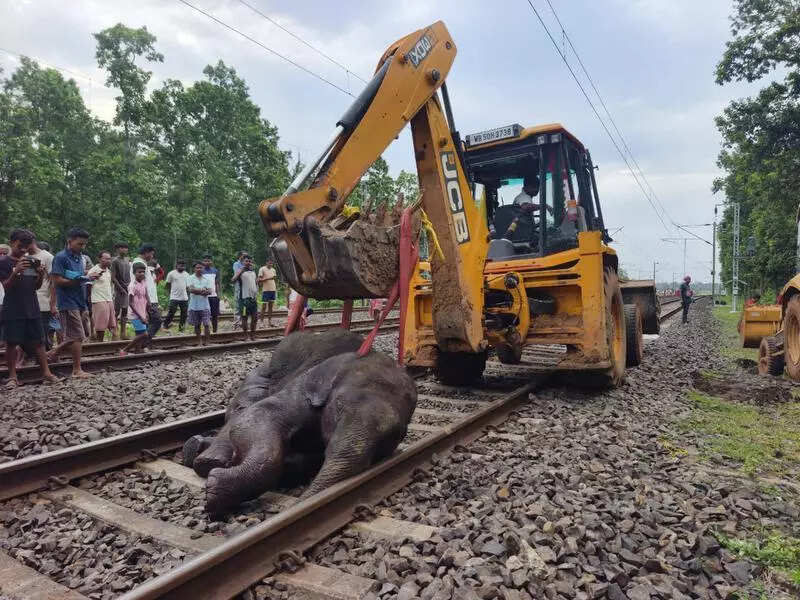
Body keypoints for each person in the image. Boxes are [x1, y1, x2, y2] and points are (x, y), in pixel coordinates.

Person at [0, 229, 61, 386]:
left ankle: (46, 373)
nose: (23, 249)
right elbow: (6, 286)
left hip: (32, 307)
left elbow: (35, 287)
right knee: (11, 342)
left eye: (26, 246)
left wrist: (40, 275)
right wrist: (16, 272)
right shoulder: (4, 262)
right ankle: (12, 377)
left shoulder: (31, 261)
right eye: (20, 246)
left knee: (39, 342)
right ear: (12, 242)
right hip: (13, 308)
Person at [48, 228, 98, 378]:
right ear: (69, 241)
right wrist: (78, 280)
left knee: (78, 335)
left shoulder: (80, 258)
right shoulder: (61, 257)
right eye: (80, 244)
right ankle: (76, 369)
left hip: (79, 300)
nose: (82, 247)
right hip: (67, 300)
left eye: (84, 244)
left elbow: (79, 276)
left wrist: (87, 277)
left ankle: (54, 352)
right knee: (78, 335)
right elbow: (56, 280)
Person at [130, 244, 162, 345]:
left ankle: (143, 345)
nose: (152, 257)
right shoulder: (139, 264)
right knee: (157, 321)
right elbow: (140, 284)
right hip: (148, 299)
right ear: (146, 252)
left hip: (149, 298)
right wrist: (148, 301)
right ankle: (144, 344)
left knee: (149, 323)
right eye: (151, 254)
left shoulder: (142, 263)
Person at [28, 239, 56, 351]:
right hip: (27, 301)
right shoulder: (25, 256)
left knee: (42, 332)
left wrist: (53, 304)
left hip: (43, 301)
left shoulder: (48, 257)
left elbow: (54, 282)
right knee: (30, 334)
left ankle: (47, 354)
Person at [119, 263, 151, 356]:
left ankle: (138, 351)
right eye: (139, 272)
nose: (142, 274)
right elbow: (131, 303)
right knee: (144, 334)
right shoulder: (132, 285)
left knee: (139, 334)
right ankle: (125, 350)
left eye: (143, 272)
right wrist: (141, 316)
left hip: (142, 313)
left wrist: (146, 312)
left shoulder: (143, 283)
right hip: (135, 314)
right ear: (134, 273)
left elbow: (145, 297)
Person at [87, 250, 117, 341]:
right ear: (99, 259)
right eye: (106, 259)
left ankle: (111, 343)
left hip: (108, 299)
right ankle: (99, 342)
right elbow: (88, 285)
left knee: (112, 323)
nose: (108, 261)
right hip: (98, 299)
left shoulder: (108, 271)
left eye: (109, 259)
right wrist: (89, 298)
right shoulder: (94, 270)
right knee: (100, 325)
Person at [187, 260, 213, 345]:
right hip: (194, 306)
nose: (199, 269)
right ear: (194, 269)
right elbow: (191, 290)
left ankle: (207, 342)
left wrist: (198, 291)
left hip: (205, 306)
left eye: (201, 267)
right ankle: (199, 342)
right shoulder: (190, 278)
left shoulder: (207, 279)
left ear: (203, 268)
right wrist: (203, 290)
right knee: (197, 325)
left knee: (207, 324)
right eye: (197, 267)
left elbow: (210, 291)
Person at [233, 255, 258, 340]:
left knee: (255, 318)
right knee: (244, 317)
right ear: (243, 262)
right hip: (244, 300)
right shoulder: (240, 271)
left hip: (253, 299)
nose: (248, 263)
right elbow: (233, 280)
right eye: (246, 261)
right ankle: (245, 335)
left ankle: (252, 335)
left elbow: (255, 283)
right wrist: (240, 271)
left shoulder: (253, 272)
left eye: (250, 261)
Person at [111, 242, 131, 340]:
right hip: (119, 290)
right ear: (117, 249)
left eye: (125, 248)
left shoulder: (127, 260)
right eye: (121, 248)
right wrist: (121, 288)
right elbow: (113, 277)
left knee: (125, 311)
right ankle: (115, 333)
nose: (124, 249)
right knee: (116, 311)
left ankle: (123, 333)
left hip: (127, 289)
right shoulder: (115, 261)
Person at [163, 260, 189, 332]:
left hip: (184, 297)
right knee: (172, 312)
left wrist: (188, 294)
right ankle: (165, 325)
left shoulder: (187, 274)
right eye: (180, 264)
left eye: (183, 265)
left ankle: (181, 328)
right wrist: (169, 294)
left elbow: (187, 286)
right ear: (177, 265)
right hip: (174, 297)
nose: (182, 266)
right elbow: (167, 285)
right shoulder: (171, 273)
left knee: (184, 314)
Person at [202, 254, 221, 333]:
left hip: (213, 296)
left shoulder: (215, 271)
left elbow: (217, 283)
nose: (207, 262)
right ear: (203, 262)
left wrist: (218, 295)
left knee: (214, 314)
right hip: (204, 296)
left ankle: (215, 330)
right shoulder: (201, 271)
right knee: (204, 314)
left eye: (208, 261)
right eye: (205, 261)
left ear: (211, 262)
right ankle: (206, 330)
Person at [257, 259, 277, 327]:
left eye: (272, 263)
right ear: (266, 262)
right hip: (265, 290)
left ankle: (270, 321)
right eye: (269, 263)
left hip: (273, 290)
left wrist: (271, 279)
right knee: (264, 307)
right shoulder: (262, 269)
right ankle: (261, 322)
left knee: (271, 307)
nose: (271, 264)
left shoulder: (273, 270)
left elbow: (273, 279)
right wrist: (268, 278)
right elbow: (259, 280)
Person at [231, 250, 246, 329]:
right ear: (240, 256)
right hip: (238, 286)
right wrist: (243, 269)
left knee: (245, 305)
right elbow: (237, 274)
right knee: (237, 305)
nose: (245, 257)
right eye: (244, 255)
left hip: (246, 287)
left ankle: (243, 322)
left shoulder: (247, 263)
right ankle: (236, 323)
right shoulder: (236, 264)